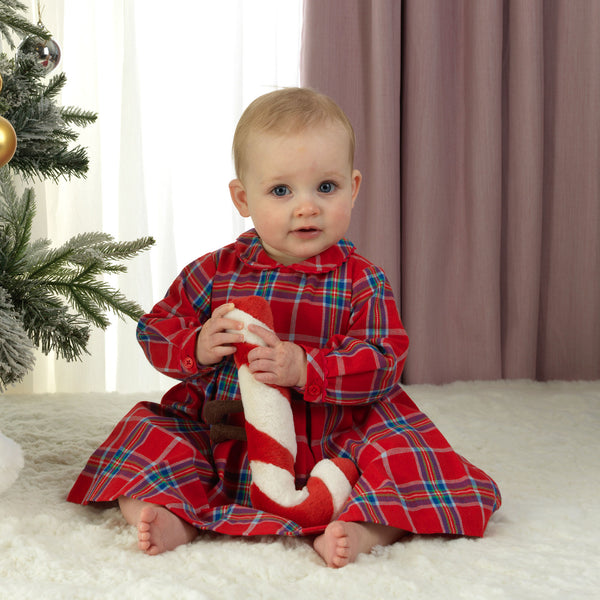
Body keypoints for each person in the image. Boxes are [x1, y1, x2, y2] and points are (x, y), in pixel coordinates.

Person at [68, 87, 501, 568]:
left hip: (335, 436)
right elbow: (156, 328)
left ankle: (363, 527)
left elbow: (384, 359)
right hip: (228, 430)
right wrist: (197, 345)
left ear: (353, 188)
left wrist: (308, 368)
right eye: (281, 190)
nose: (306, 207)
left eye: (326, 187)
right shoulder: (214, 272)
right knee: (147, 435)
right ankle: (172, 513)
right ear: (243, 198)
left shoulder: (364, 282)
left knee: (406, 452)